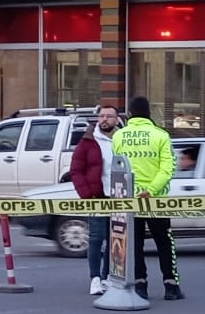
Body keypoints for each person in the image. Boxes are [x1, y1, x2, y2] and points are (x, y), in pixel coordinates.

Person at [111, 96, 183, 301]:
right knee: (164, 241)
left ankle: (140, 284)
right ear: (149, 113)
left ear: (130, 114)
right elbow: (168, 169)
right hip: (155, 200)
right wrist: (151, 190)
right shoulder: (161, 135)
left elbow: (117, 168)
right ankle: (171, 285)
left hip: (128, 199)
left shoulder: (119, 136)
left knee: (135, 244)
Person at [71, 105, 120, 296]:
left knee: (114, 239)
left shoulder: (122, 139)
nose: (105, 119)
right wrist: (87, 194)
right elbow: (76, 170)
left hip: (118, 197)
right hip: (97, 197)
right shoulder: (88, 142)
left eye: (109, 116)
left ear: (117, 120)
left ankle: (108, 277)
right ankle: (95, 278)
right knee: (96, 238)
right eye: (102, 116)